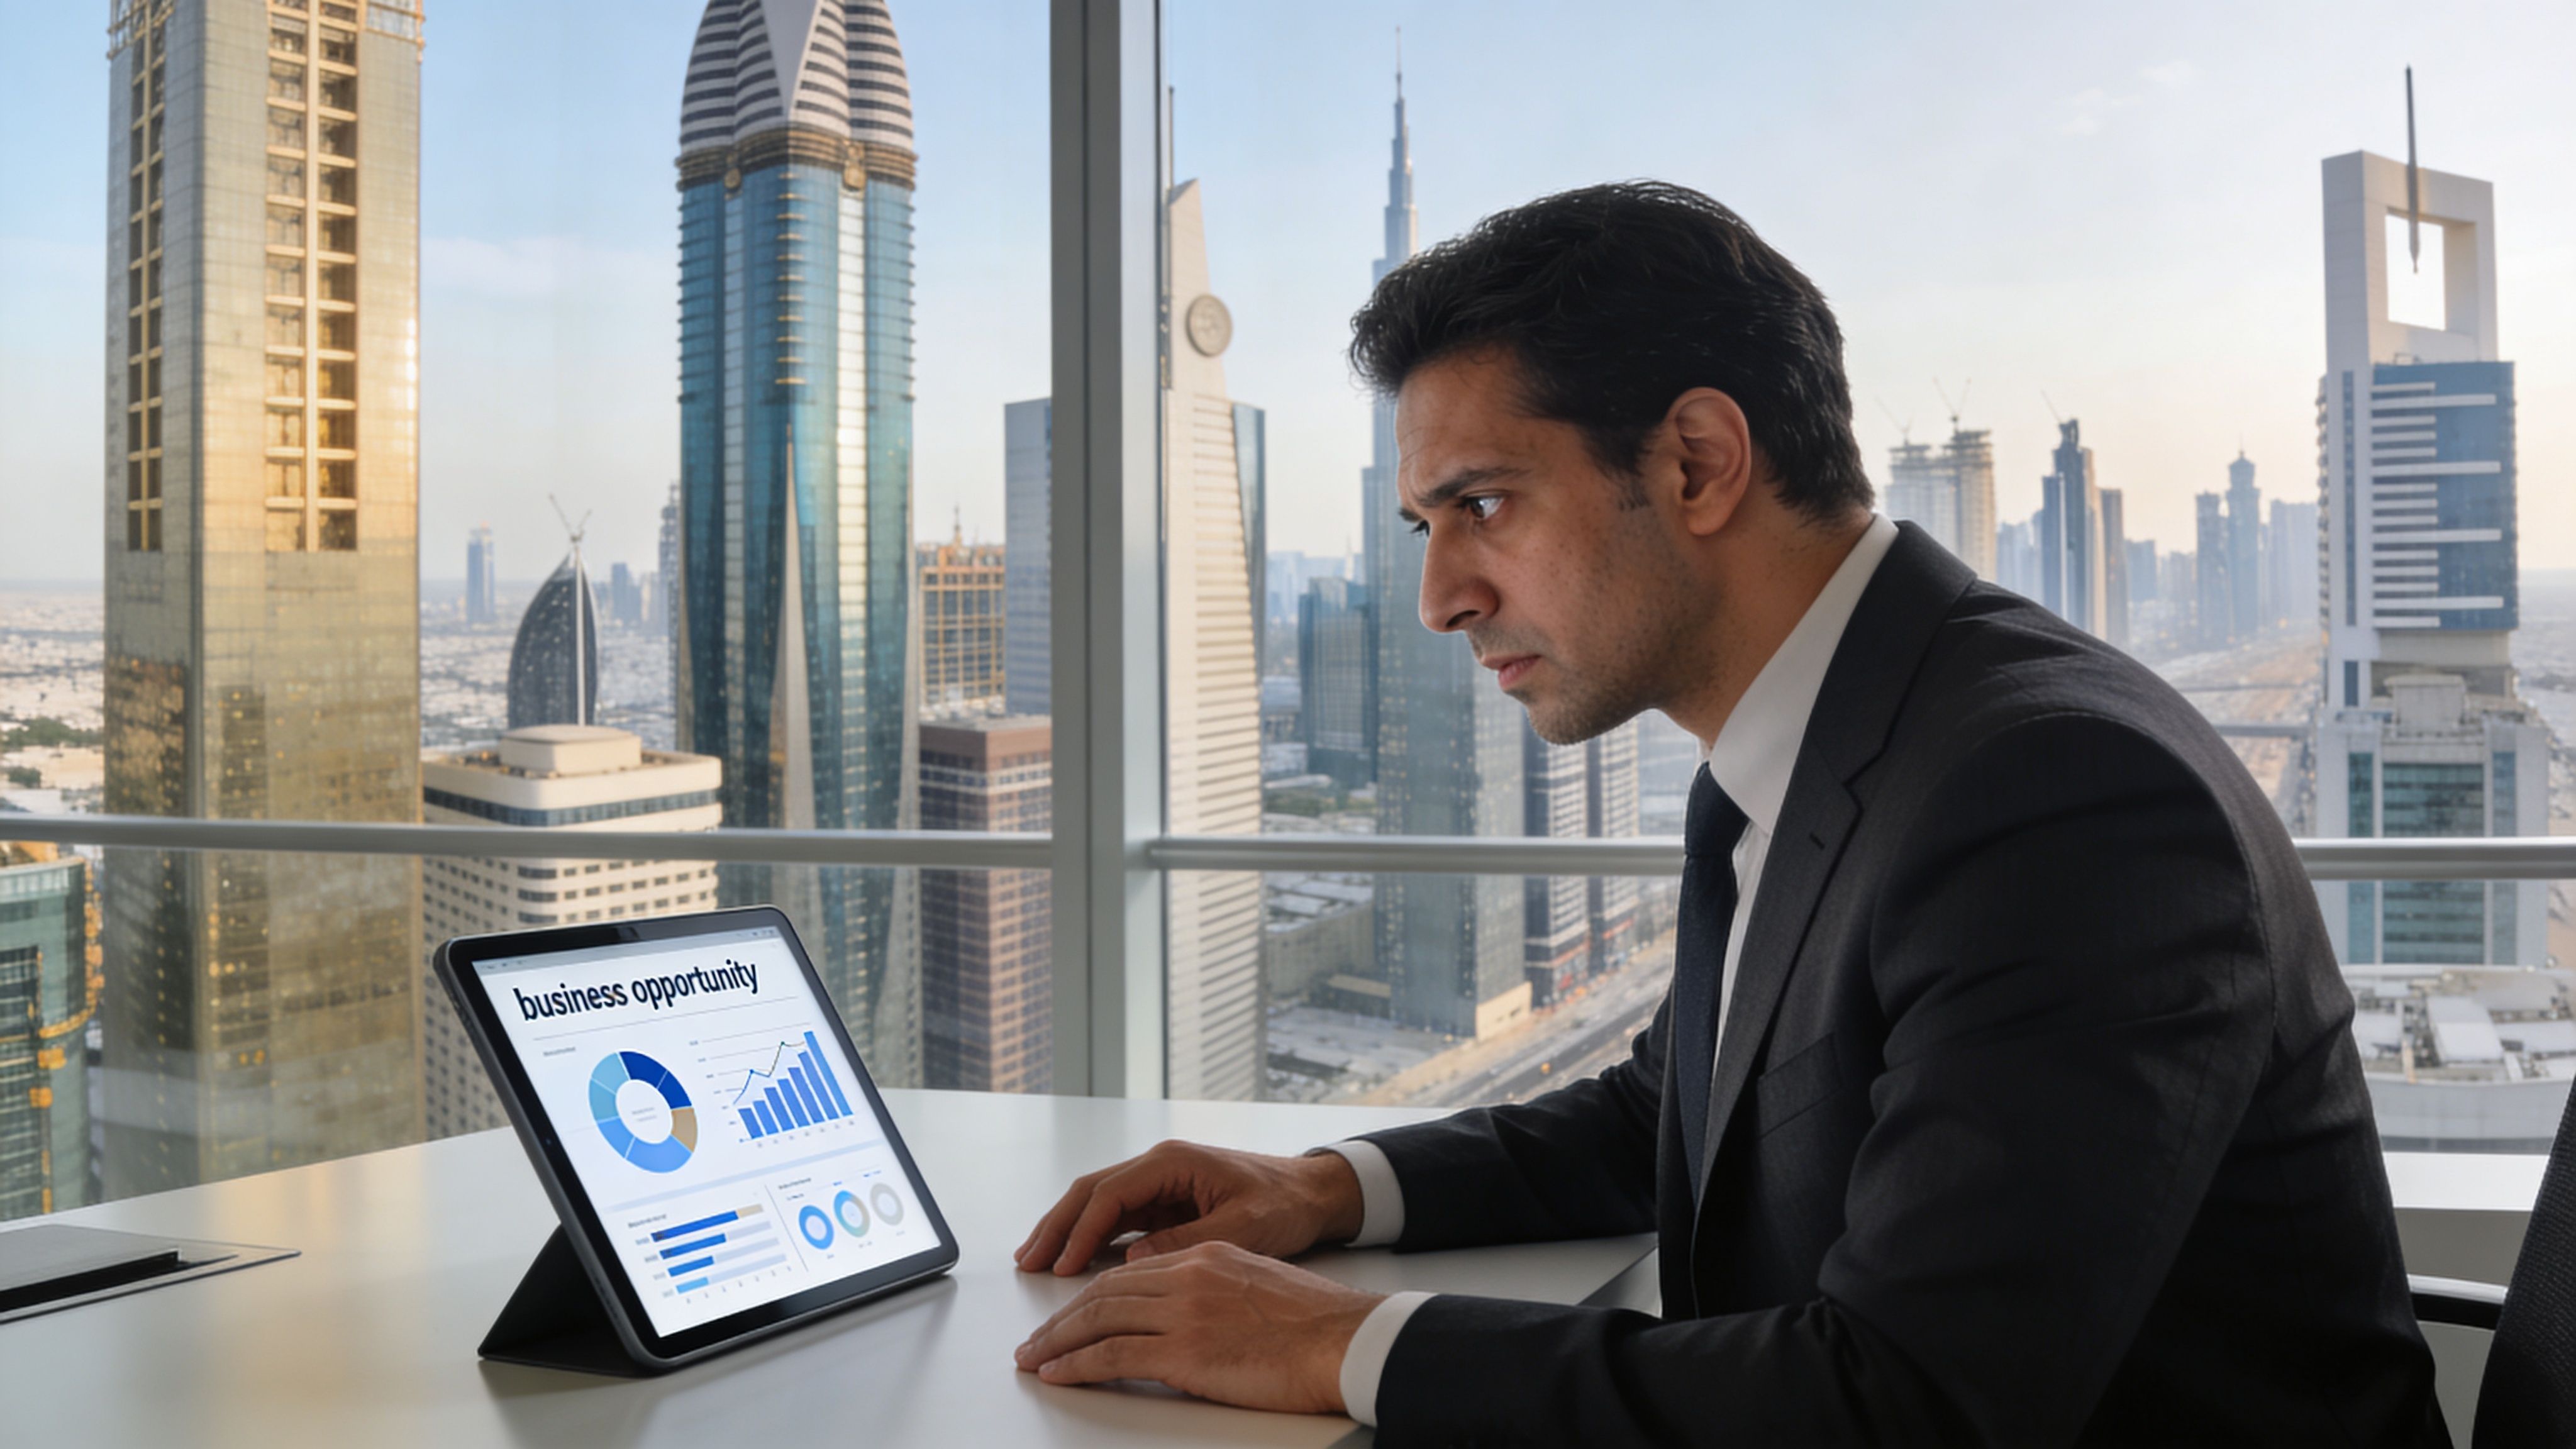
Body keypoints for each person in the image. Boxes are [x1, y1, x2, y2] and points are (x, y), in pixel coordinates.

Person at [1011, 181, 2445, 1445]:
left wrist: (1337, 1344)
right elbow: (1676, 1105)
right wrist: (1326, 1186)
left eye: (1483, 507)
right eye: (1421, 530)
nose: (1442, 595)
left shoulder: (2056, 799)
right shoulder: (1823, 738)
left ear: (1695, 462)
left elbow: (1908, 1405)